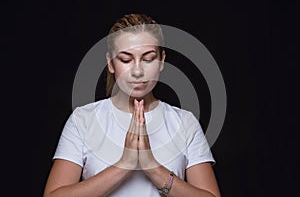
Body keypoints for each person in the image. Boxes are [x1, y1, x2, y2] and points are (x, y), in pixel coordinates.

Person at [43, 13, 221, 197]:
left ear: (161, 61)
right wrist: (124, 164)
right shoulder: (83, 120)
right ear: (111, 63)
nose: (137, 71)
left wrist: (152, 167)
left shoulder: (185, 122)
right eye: (126, 60)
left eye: (148, 59)